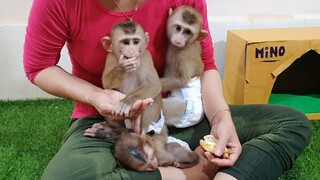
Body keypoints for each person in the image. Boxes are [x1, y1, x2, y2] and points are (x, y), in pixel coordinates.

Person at [23, 0, 312, 179]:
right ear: (108, 45)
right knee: (68, 175)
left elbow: (206, 65)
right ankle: (196, 173)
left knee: (292, 123)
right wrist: (97, 96)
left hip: (176, 113)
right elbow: (38, 67)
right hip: (110, 120)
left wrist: (221, 117)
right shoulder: (58, 2)